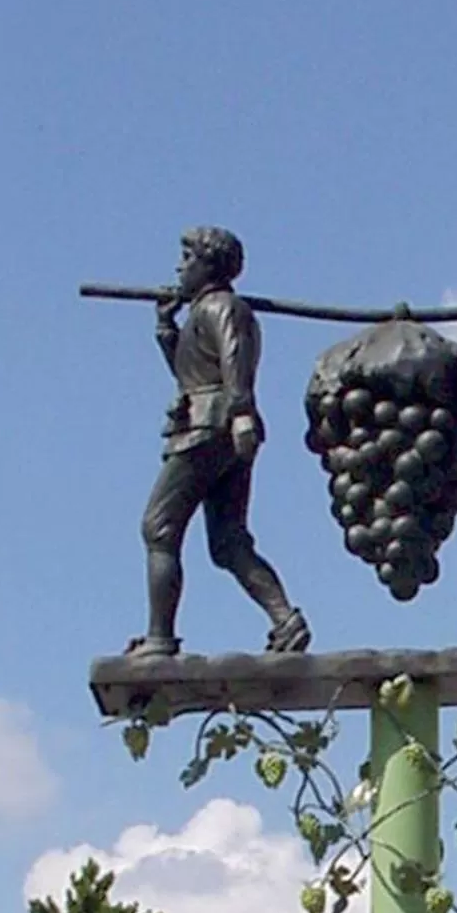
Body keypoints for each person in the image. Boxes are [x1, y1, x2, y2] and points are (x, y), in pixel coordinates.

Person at [129, 226, 311, 659]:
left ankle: (160, 638)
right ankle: (285, 620)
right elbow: (191, 373)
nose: (179, 267)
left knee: (159, 527)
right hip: (214, 425)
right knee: (228, 540)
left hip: (209, 429)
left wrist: (242, 412)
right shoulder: (204, 312)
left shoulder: (223, 308)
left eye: (187, 258)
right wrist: (165, 328)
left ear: (210, 264)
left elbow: (235, 364)